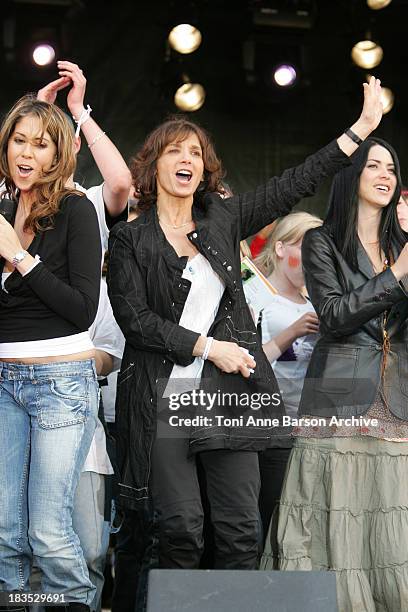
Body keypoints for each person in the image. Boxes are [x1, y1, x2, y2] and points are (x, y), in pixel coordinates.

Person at [107, 78, 383, 579]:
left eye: (196, 151)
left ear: (205, 168)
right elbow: (136, 320)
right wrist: (211, 347)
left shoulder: (223, 219)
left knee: (240, 532)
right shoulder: (130, 239)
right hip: (165, 398)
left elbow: (292, 184)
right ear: (153, 164)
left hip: (230, 398)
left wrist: (359, 132)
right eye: (175, 150)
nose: (187, 158)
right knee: (182, 530)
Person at [271, 137, 408, 611]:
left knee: (387, 515)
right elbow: (331, 314)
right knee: (331, 515)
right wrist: (396, 275)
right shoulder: (322, 241)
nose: (385, 174)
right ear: (352, 177)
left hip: (397, 399)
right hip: (339, 397)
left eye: (391, 167)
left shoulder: (402, 245)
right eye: (373, 165)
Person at [0, 95, 101, 609]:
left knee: (46, 528)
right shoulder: (0, 204)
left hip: (59, 380)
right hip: (3, 379)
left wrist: (18, 257)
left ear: (59, 154)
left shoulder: (76, 209)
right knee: (4, 531)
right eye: (19, 140)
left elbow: (83, 309)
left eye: (41, 145)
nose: (27, 153)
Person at [254, 212, 322, 546]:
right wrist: (291, 333)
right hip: (264, 425)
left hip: (304, 427)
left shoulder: (316, 302)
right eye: (305, 248)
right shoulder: (257, 296)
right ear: (280, 248)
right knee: (267, 515)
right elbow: (248, 362)